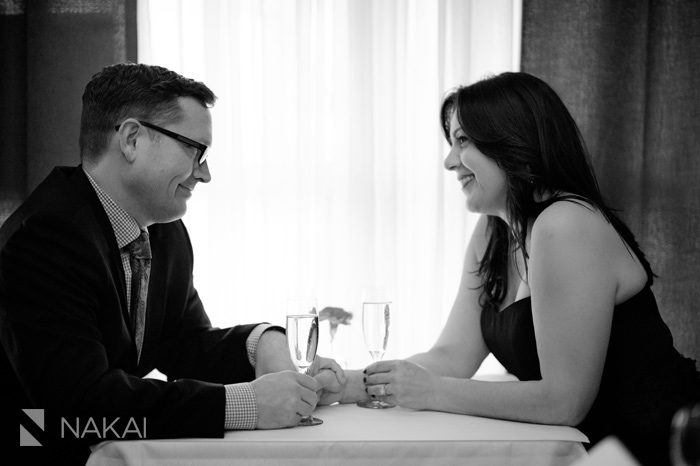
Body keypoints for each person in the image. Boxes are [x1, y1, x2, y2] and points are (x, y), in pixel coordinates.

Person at [330, 72, 700, 466]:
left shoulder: (566, 225)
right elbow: (452, 355)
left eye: (463, 141)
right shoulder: (493, 232)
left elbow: (564, 402)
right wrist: (350, 384)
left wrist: (433, 392)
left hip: (663, 447)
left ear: (513, 142)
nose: (449, 161)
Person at [0, 63, 342, 463]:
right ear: (131, 139)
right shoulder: (44, 238)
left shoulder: (163, 230)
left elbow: (184, 345)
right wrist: (246, 404)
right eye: (195, 150)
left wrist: (263, 344)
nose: (206, 173)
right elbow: (79, 405)